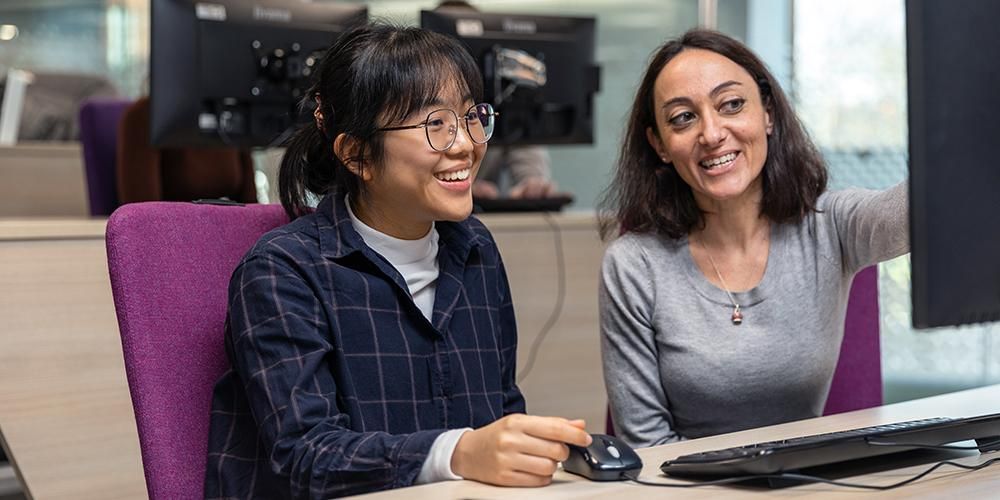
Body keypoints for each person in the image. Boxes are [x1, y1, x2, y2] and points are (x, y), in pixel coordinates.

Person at [203, 23, 591, 498]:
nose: (467, 144)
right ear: (358, 155)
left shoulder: (475, 250)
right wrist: (460, 453)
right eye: (436, 125)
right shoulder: (283, 273)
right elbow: (309, 454)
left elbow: (501, 408)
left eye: (472, 117)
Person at [597, 29, 908, 448]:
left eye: (731, 104)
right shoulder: (633, 264)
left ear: (768, 113)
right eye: (683, 118)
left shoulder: (831, 224)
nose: (711, 133)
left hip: (807, 487)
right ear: (660, 145)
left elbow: (924, 210)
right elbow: (647, 447)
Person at [432, 0, 558, 200]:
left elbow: (528, 158)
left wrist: (533, 184)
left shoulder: (502, 101)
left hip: (479, 220)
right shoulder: (414, 111)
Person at [116, 96, 257, 205]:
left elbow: (252, 208)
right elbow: (142, 220)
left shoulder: (231, 114)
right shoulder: (144, 115)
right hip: (170, 236)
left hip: (226, 233)